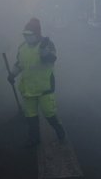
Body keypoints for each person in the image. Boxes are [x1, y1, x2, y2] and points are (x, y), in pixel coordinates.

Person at [8, 18, 65, 147]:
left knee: (50, 114)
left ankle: (60, 132)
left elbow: (51, 59)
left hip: (44, 88)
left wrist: (44, 52)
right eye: (25, 35)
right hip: (28, 89)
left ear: (37, 33)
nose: (27, 37)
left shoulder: (47, 44)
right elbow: (19, 64)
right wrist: (12, 74)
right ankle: (34, 139)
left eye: (29, 34)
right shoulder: (22, 47)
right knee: (31, 117)